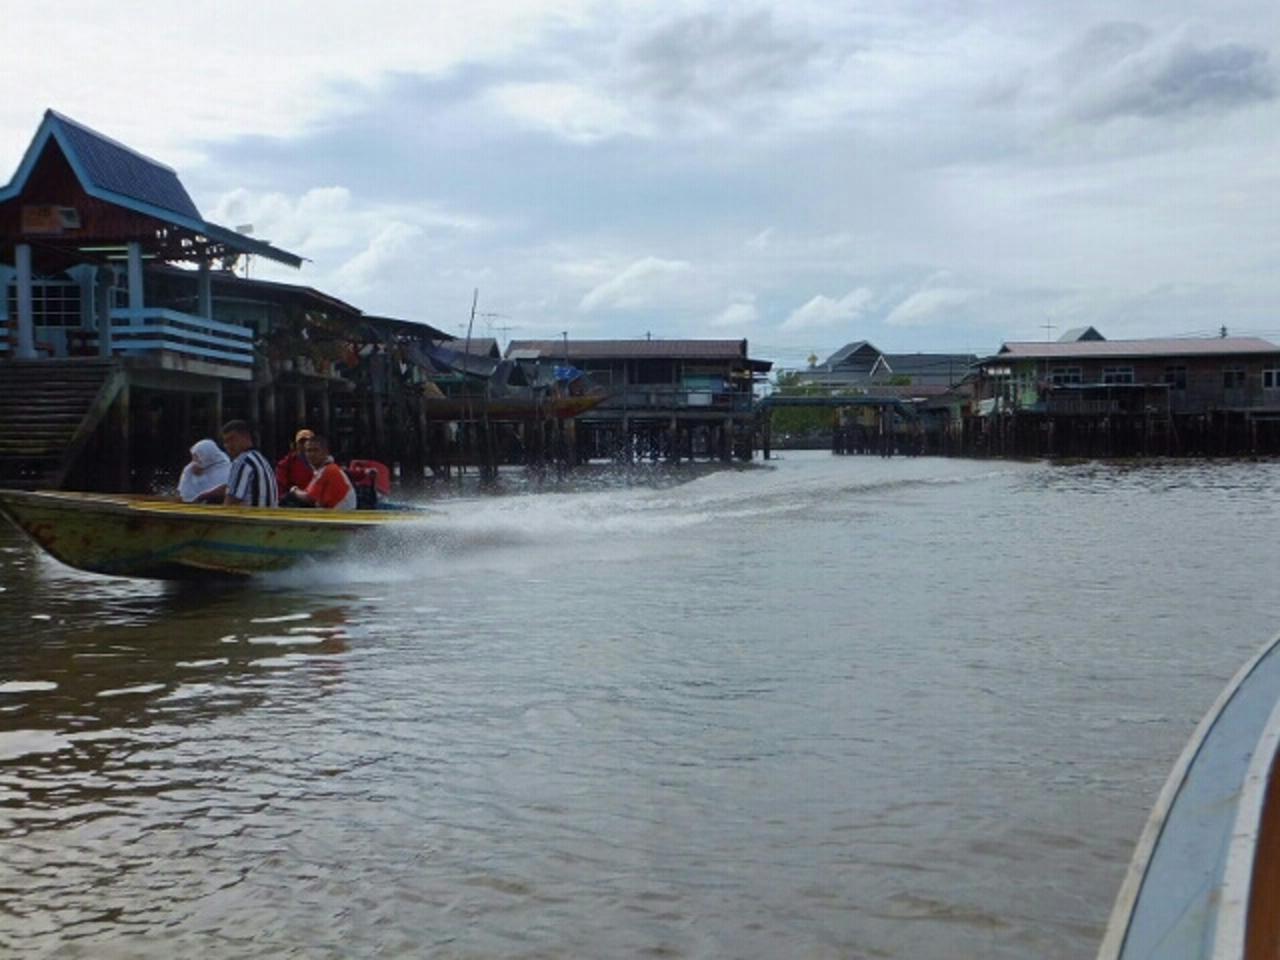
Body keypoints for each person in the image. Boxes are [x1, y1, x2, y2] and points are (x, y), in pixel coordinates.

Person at [214, 420, 278, 507]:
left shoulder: (242, 462)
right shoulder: (262, 460)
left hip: (251, 514)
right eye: (225, 442)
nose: (227, 445)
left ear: (246, 437)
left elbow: (231, 501)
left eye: (232, 439)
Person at [288, 434, 356, 511]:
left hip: (342, 515)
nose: (312, 454)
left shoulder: (328, 470)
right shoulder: (322, 469)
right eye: (309, 451)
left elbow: (309, 498)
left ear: (325, 452)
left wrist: (294, 490)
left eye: (316, 450)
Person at [177, 439, 231, 503]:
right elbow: (183, 493)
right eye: (194, 456)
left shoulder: (225, 467)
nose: (194, 460)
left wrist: (201, 478)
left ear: (206, 455)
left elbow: (227, 490)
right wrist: (197, 477)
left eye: (197, 456)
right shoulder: (190, 469)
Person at [276, 428, 315, 495]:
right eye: (302, 442)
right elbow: (281, 488)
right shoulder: (286, 464)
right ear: (296, 445)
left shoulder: (323, 464)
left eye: (309, 441)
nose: (305, 445)